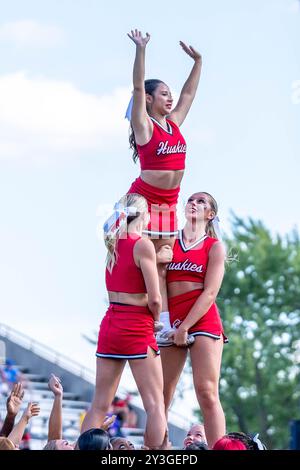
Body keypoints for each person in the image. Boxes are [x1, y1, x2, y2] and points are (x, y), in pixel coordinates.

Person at [124, 29, 202, 340]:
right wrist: (141, 49)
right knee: (143, 264)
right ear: (150, 99)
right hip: (142, 203)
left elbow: (188, 95)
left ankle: (165, 326)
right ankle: (148, 320)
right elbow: (136, 88)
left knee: (163, 266)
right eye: (164, 94)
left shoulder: (174, 123)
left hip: (168, 204)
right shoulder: (144, 126)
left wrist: (198, 62)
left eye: (170, 94)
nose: (170, 98)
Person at [81, 193, 167, 450]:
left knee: (99, 404)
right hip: (137, 326)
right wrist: (156, 321)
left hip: (111, 324)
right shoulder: (143, 244)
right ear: (142, 214)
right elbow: (154, 298)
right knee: (155, 404)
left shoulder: (113, 241)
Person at [161, 192, 227, 449]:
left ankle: (219, 447)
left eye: (201, 201)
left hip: (202, 321)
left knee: (207, 392)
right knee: (161, 396)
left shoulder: (214, 246)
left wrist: (186, 325)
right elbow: (160, 283)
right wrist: (168, 323)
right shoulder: (168, 241)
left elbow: (210, 292)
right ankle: (160, 448)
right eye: (190, 200)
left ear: (210, 214)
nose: (193, 203)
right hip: (171, 322)